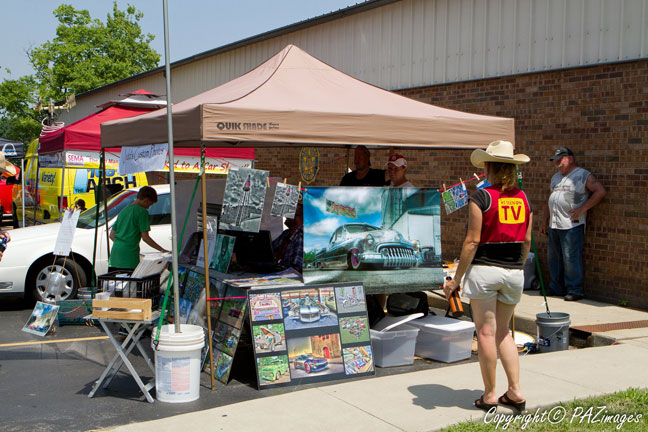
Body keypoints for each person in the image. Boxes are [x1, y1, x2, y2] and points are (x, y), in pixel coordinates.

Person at [444, 140, 531, 412]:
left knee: (485, 332)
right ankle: (515, 391)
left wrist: (456, 279)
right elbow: (527, 240)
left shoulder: (481, 197)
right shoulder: (523, 198)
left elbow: (472, 242)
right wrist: (518, 265)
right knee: (504, 332)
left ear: (489, 167)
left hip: (484, 271)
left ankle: (490, 394)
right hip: (515, 271)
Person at [540, 147, 606, 301]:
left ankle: (575, 289)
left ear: (570, 158)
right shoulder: (555, 177)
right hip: (554, 224)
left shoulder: (583, 175)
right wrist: (544, 221)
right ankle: (556, 286)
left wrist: (583, 208)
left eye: (560, 159)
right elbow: (550, 200)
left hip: (571, 225)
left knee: (571, 257)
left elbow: (600, 191)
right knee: (553, 258)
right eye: (555, 160)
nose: (557, 163)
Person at [108, 186, 168, 272]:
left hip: (115, 255)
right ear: (146, 200)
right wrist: (162, 250)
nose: (148, 207)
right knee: (130, 283)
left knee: (114, 283)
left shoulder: (124, 210)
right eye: (150, 204)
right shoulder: (142, 212)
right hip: (129, 257)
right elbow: (145, 238)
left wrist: (122, 243)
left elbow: (112, 235)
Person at [272, 201, 303, 272]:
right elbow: (270, 249)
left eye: (290, 214)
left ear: (298, 217)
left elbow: (296, 267)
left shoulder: (301, 236)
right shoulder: (286, 233)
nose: (286, 216)